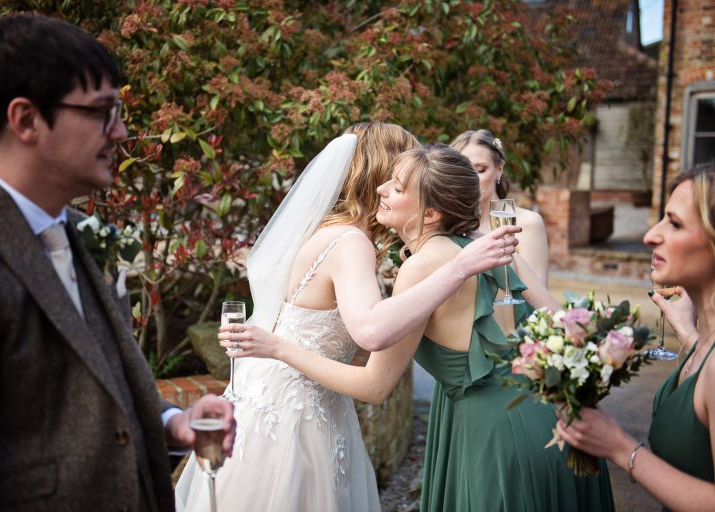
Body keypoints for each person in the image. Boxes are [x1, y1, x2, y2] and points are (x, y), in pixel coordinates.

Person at [223, 144, 615, 511]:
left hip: (496, 435)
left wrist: (278, 348)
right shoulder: (488, 243)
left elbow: (373, 386)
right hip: (549, 420)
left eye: (396, 187)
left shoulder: (421, 267)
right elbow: (565, 326)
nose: (381, 189)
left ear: (429, 214)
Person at [0, 15, 234, 511]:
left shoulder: (85, 233)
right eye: (103, 111)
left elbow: (99, 385)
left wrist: (173, 423)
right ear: (26, 120)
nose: (120, 132)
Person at [175, 125, 521, 511]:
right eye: (399, 174)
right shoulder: (352, 242)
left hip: (276, 403)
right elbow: (371, 330)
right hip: (294, 418)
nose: (389, 188)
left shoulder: (327, 229)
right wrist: (461, 266)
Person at [557, 163, 715, 511]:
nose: (650, 236)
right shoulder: (702, 344)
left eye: (674, 223)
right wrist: (688, 334)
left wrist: (620, 447)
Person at [451, 129, 550, 286]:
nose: (471, 179)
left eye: (480, 170)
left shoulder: (528, 223)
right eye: (463, 171)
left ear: (499, 169)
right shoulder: (449, 224)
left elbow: (539, 295)